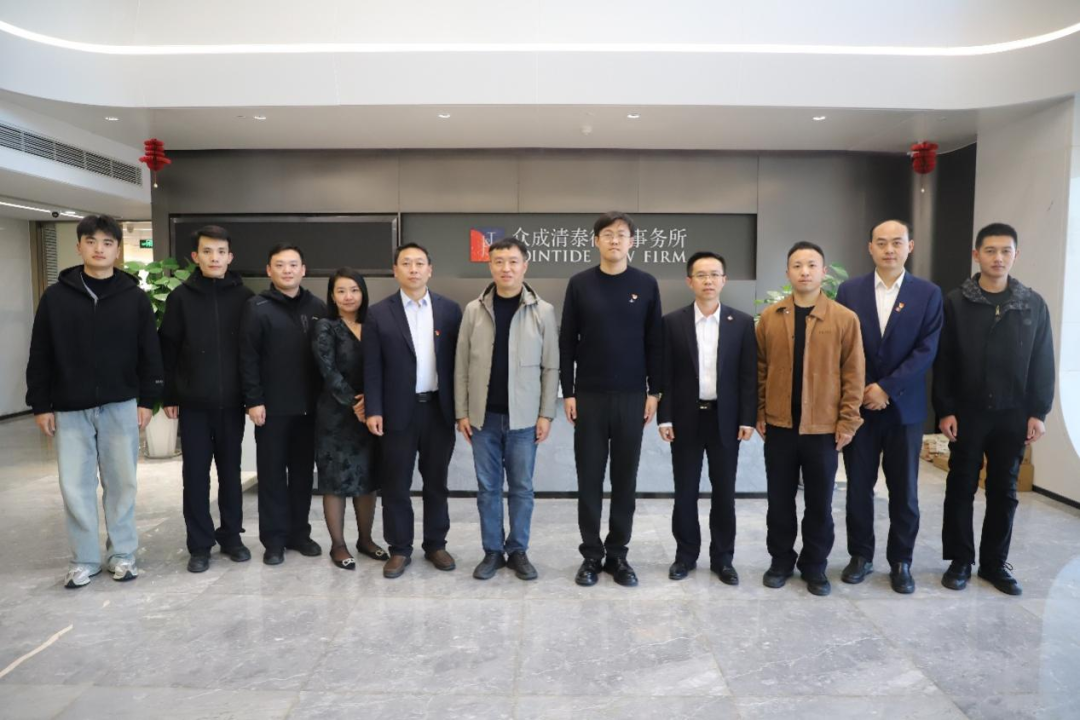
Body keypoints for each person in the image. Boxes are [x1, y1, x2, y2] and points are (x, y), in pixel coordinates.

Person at [26, 214, 163, 588]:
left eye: (107, 243)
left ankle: (122, 554)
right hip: (70, 407)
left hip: (121, 403)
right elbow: (40, 352)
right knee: (75, 486)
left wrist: (147, 400)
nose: (99, 249)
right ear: (79, 247)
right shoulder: (56, 297)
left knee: (122, 484)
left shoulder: (134, 297)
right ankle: (84, 559)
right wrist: (40, 404)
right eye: (91, 241)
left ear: (117, 250)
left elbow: (149, 352)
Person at [934, 222, 1054, 596]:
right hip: (968, 412)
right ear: (977, 255)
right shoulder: (956, 302)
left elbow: (1043, 360)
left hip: (1013, 413)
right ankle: (960, 560)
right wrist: (945, 408)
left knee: (1004, 491)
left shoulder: (1033, 304)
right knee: (961, 486)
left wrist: (1039, 412)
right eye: (990, 251)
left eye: (1005, 251)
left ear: (1015, 255)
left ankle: (993, 564)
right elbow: (944, 359)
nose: (998, 258)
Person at [835, 220, 943, 594]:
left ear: (910, 246)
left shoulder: (927, 294)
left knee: (904, 490)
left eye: (897, 242)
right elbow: (843, 346)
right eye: (881, 243)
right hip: (859, 409)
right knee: (858, 488)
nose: (889, 249)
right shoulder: (850, 291)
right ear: (870, 248)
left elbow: (926, 350)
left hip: (904, 410)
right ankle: (860, 556)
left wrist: (886, 388)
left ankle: (901, 561)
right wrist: (865, 389)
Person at [560, 211, 663, 587]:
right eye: (607, 234)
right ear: (596, 241)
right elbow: (567, 340)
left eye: (621, 234)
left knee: (624, 479)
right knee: (588, 479)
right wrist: (568, 391)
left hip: (632, 397)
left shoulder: (646, 284)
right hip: (588, 396)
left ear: (631, 242)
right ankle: (591, 555)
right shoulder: (580, 283)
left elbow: (655, 342)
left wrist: (654, 392)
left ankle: (618, 555)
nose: (615, 240)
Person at [756, 241, 865, 596]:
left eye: (811, 265)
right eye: (797, 265)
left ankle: (815, 565)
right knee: (780, 501)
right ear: (787, 272)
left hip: (823, 429)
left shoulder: (844, 319)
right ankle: (781, 561)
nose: (804, 272)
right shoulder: (770, 318)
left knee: (819, 503)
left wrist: (847, 421)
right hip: (780, 426)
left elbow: (854, 375)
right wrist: (760, 412)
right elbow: (759, 370)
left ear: (823, 271)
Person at [454, 238, 559, 581]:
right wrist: (462, 412)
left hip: (524, 420)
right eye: (499, 261)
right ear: (490, 266)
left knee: (521, 488)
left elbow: (551, 366)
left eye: (513, 261)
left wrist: (545, 414)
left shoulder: (542, 311)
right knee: (487, 488)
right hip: (482, 417)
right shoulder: (474, 310)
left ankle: (518, 551)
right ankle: (492, 552)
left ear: (525, 265)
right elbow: (461, 365)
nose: (506, 268)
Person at [159, 225, 255, 573]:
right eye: (207, 251)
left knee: (231, 474)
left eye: (221, 252)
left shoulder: (245, 297)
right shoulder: (180, 298)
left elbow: (251, 352)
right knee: (196, 477)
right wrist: (169, 394)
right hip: (193, 404)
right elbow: (168, 349)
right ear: (195, 257)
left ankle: (231, 537)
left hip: (232, 403)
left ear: (230, 257)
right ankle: (199, 545)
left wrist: (251, 396)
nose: (215, 258)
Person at [364, 243, 463, 578]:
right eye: (406, 263)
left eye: (420, 263)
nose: (413, 269)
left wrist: (461, 410)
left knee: (437, 483)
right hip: (396, 412)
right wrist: (374, 409)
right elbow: (372, 367)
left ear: (430, 270)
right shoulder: (379, 313)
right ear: (395, 271)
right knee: (396, 484)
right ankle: (400, 548)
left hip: (438, 410)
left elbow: (460, 364)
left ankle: (436, 544)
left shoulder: (450, 310)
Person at [658, 251, 756, 585]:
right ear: (690, 281)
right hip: (685, 419)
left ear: (724, 280)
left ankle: (723, 559)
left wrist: (747, 418)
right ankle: (685, 556)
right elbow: (666, 375)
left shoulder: (741, 323)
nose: (708, 281)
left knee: (724, 492)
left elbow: (747, 375)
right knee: (685, 491)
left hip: (725, 420)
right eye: (701, 275)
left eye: (714, 274)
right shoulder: (672, 322)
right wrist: (665, 417)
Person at [239, 244, 327, 565]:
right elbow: (248, 357)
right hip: (272, 409)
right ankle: (274, 540)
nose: (287, 270)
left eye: (293, 265)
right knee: (272, 476)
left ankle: (299, 534)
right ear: (269, 270)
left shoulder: (317, 306)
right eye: (280, 265)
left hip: (309, 409)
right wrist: (253, 400)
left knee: (303, 476)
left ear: (303, 269)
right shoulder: (256, 307)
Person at [312, 268, 386, 570]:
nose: (348, 296)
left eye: (354, 290)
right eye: (341, 291)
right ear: (332, 296)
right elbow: (327, 371)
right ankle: (338, 545)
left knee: (368, 478)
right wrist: (355, 403)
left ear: (363, 293)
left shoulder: (374, 324)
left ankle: (365, 540)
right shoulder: (326, 327)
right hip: (335, 415)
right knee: (335, 481)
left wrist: (371, 402)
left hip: (371, 413)